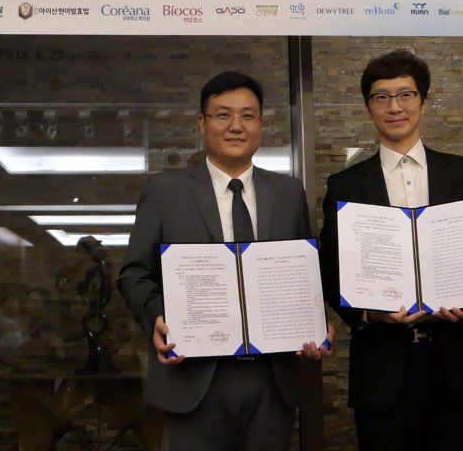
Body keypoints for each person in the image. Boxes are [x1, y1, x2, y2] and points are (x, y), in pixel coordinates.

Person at [117, 71, 331, 451]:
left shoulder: (288, 193)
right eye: (223, 115)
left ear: (261, 124)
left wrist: (313, 321)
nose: (236, 126)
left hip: (272, 380)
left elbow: (301, 274)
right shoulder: (165, 192)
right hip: (194, 378)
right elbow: (134, 273)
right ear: (202, 123)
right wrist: (156, 317)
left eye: (248, 115)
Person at [319, 49, 463, 451]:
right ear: (369, 107)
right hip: (382, 369)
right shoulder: (345, 185)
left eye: (405, 94)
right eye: (381, 97)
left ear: (423, 100)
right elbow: (331, 268)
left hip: (455, 365)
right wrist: (368, 313)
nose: (394, 107)